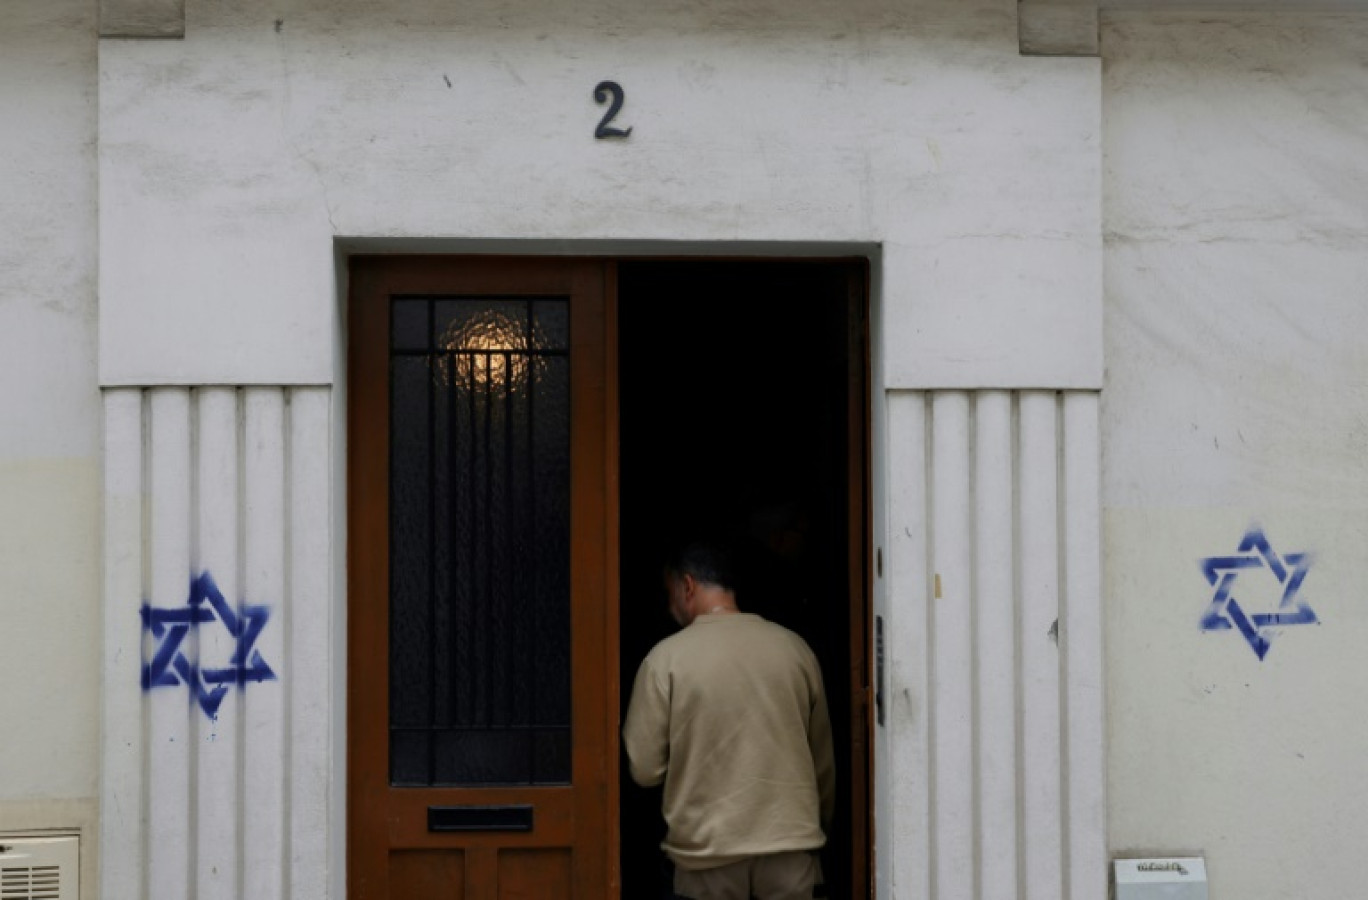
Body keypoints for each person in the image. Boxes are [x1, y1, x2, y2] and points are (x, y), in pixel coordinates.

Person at [622, 542, 836, 900]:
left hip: (706, 857)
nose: (668, 603)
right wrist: (819, 828)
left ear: (687, 586)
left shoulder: (665, 660)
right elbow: (822, 764)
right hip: (791, 850)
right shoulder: (795, 650)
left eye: (669, 591)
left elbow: (644, 769)